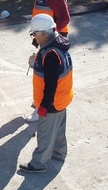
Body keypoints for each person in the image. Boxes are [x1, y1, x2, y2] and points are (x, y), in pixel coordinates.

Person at [19, 14, 73, 173]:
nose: (33, 37)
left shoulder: (50, 55)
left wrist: (43, 106)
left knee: (45, 133)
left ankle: (39, 164)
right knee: (58, 128)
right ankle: (59, 152)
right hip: (63, 98)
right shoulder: (57, 45)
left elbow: (50, 85)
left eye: (34, 33)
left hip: (52, 102)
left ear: (43, 33)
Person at [21, 0, 70, 122]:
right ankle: (41, 102)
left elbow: (64, 18)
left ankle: (43, 106)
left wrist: (50, 37)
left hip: (51, 40)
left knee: (45, 74)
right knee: (44, 73)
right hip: (45, 37)